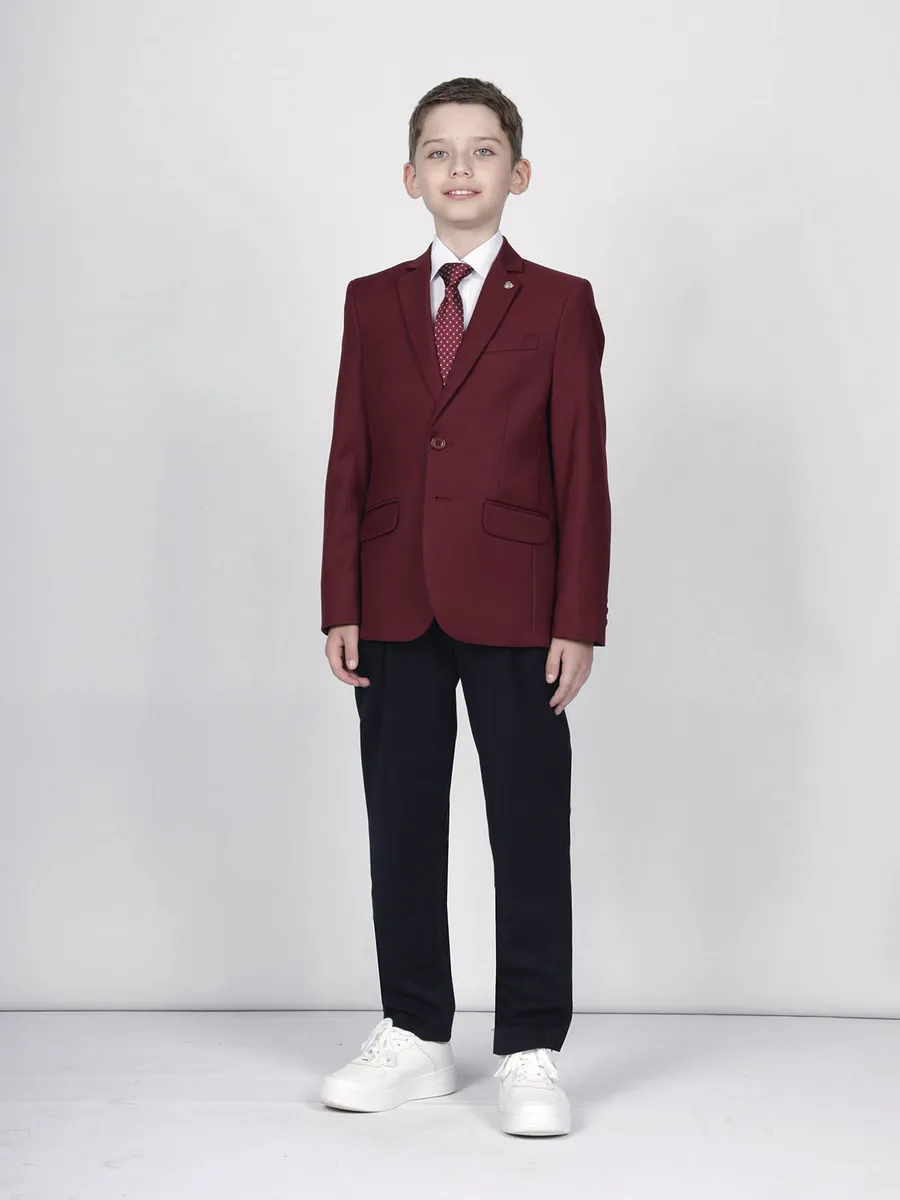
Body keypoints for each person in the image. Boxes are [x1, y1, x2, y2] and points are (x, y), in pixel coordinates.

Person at [317, 76, 611, 1138]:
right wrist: (339, 596)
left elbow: (582, 468)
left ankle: (530, 1046)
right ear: (410, 176)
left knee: (528, 824)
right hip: (393, 596)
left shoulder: (561, 303)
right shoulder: (370, 301)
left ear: (517, 173)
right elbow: (351, 453)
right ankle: (415, 1033)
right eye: (439, 153)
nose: (460, 169)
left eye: (483, 151)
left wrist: (578, 617)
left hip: (520, 603)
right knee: (399, 820)